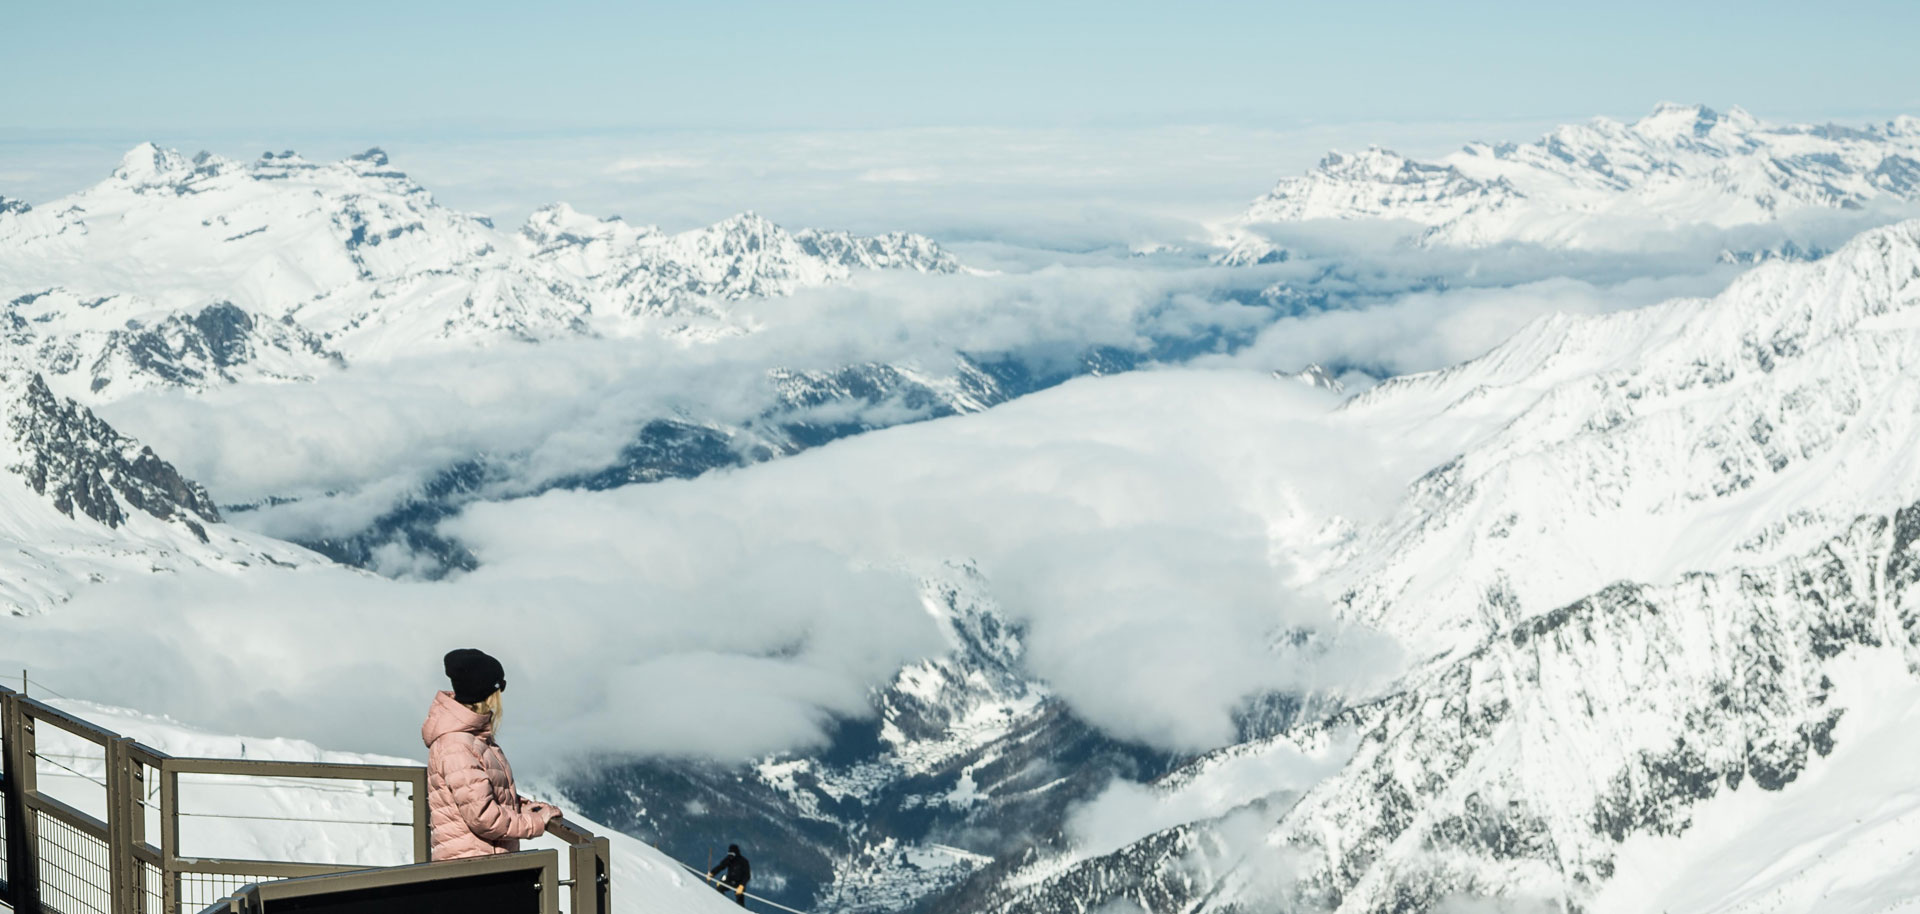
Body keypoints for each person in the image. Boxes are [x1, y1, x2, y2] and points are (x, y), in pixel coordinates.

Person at [422, 648, 561, 860]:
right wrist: (536, 823)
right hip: (475, 871)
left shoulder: (474, 737)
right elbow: (483, 817)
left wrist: (520, 806)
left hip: (483, 864)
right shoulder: (457, 746)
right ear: (486, 694)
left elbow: (482, 794)